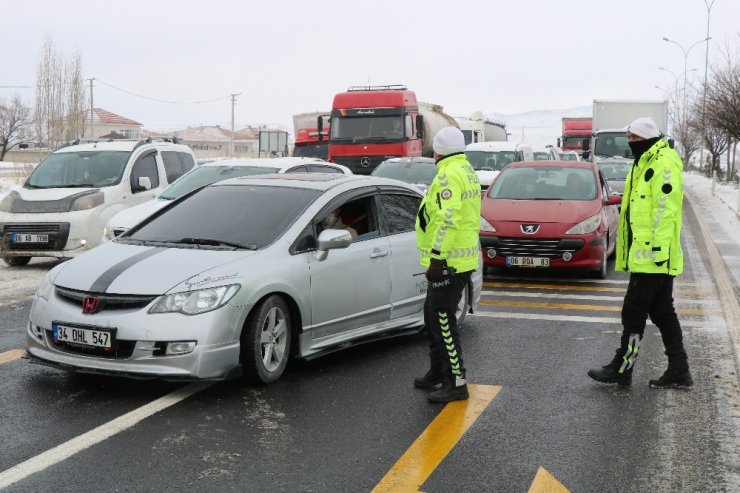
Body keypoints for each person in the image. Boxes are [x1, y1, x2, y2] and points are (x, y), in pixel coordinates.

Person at [588, 116, 692, 389]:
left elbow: (664, 211)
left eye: (634, 139)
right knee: (661, 312)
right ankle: (679, 370)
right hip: (645, 255)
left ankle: (622, 368)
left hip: (653, 257)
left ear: (647, 137)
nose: (630, 143)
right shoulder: (644, 161)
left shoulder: (663, 164)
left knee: (634, 311)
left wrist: (657, 251)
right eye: (630, 139)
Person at [414, 126, 481, 403]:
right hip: (458, 259)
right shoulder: (465, 169)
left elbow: (447, 218)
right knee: (433, 317)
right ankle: (438, 372)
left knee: (442, 322)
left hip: (449, 262)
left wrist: (437, 257)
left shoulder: (448, 174)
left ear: (438, 151)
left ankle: (456, 381)